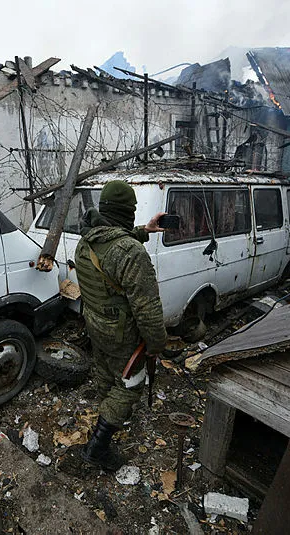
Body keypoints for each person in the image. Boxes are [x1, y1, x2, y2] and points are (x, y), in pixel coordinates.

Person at [74, 180, 168, 471]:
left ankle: (107, 411)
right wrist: (156, 345)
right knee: (130, 384)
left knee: (105, 372)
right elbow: (148, 310)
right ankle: (97, 449)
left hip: (95, 326)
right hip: (122, 335)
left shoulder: (86, 239)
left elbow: (113, 245)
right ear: (127, 212)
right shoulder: (130, 254)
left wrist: (145, 231)